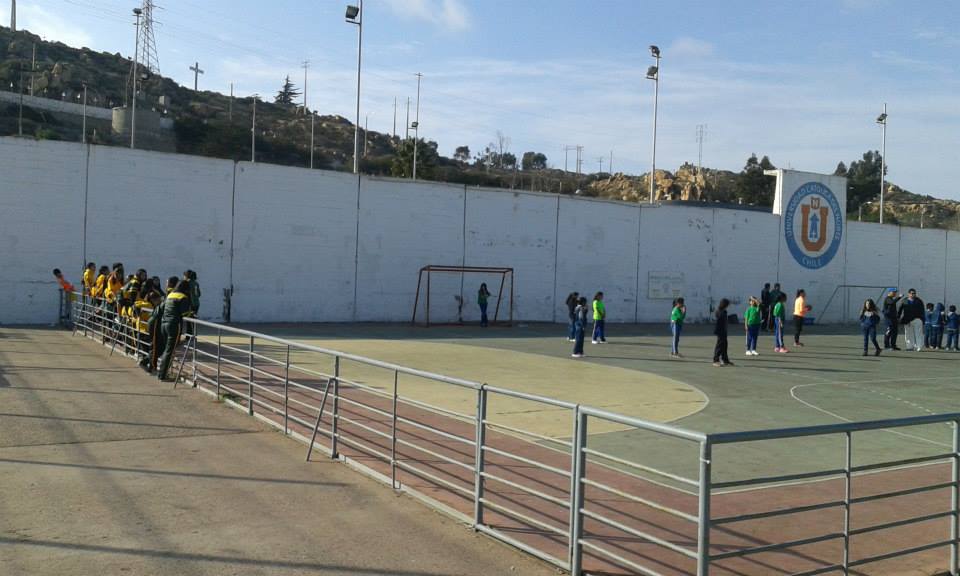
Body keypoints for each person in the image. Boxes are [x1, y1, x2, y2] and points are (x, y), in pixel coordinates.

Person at [155, 280, 193, 382]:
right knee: (169, 351)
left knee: (166, 349)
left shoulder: (170, 295)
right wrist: (191, 314)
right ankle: (162, 375)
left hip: (164, 324)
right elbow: (185, 314)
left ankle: (162, 372)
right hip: (173, 325)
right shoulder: (182, 297)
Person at [713, 298, 732, 366]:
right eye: (727, 304)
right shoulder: (720, 312)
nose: (728, 306)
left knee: (724, 346)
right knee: (719, 346)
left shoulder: (724, 311)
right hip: (720, 331)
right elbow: (719, 323)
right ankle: (715, 360)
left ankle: (725, 360)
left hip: (724, 331)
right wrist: (719, 331)